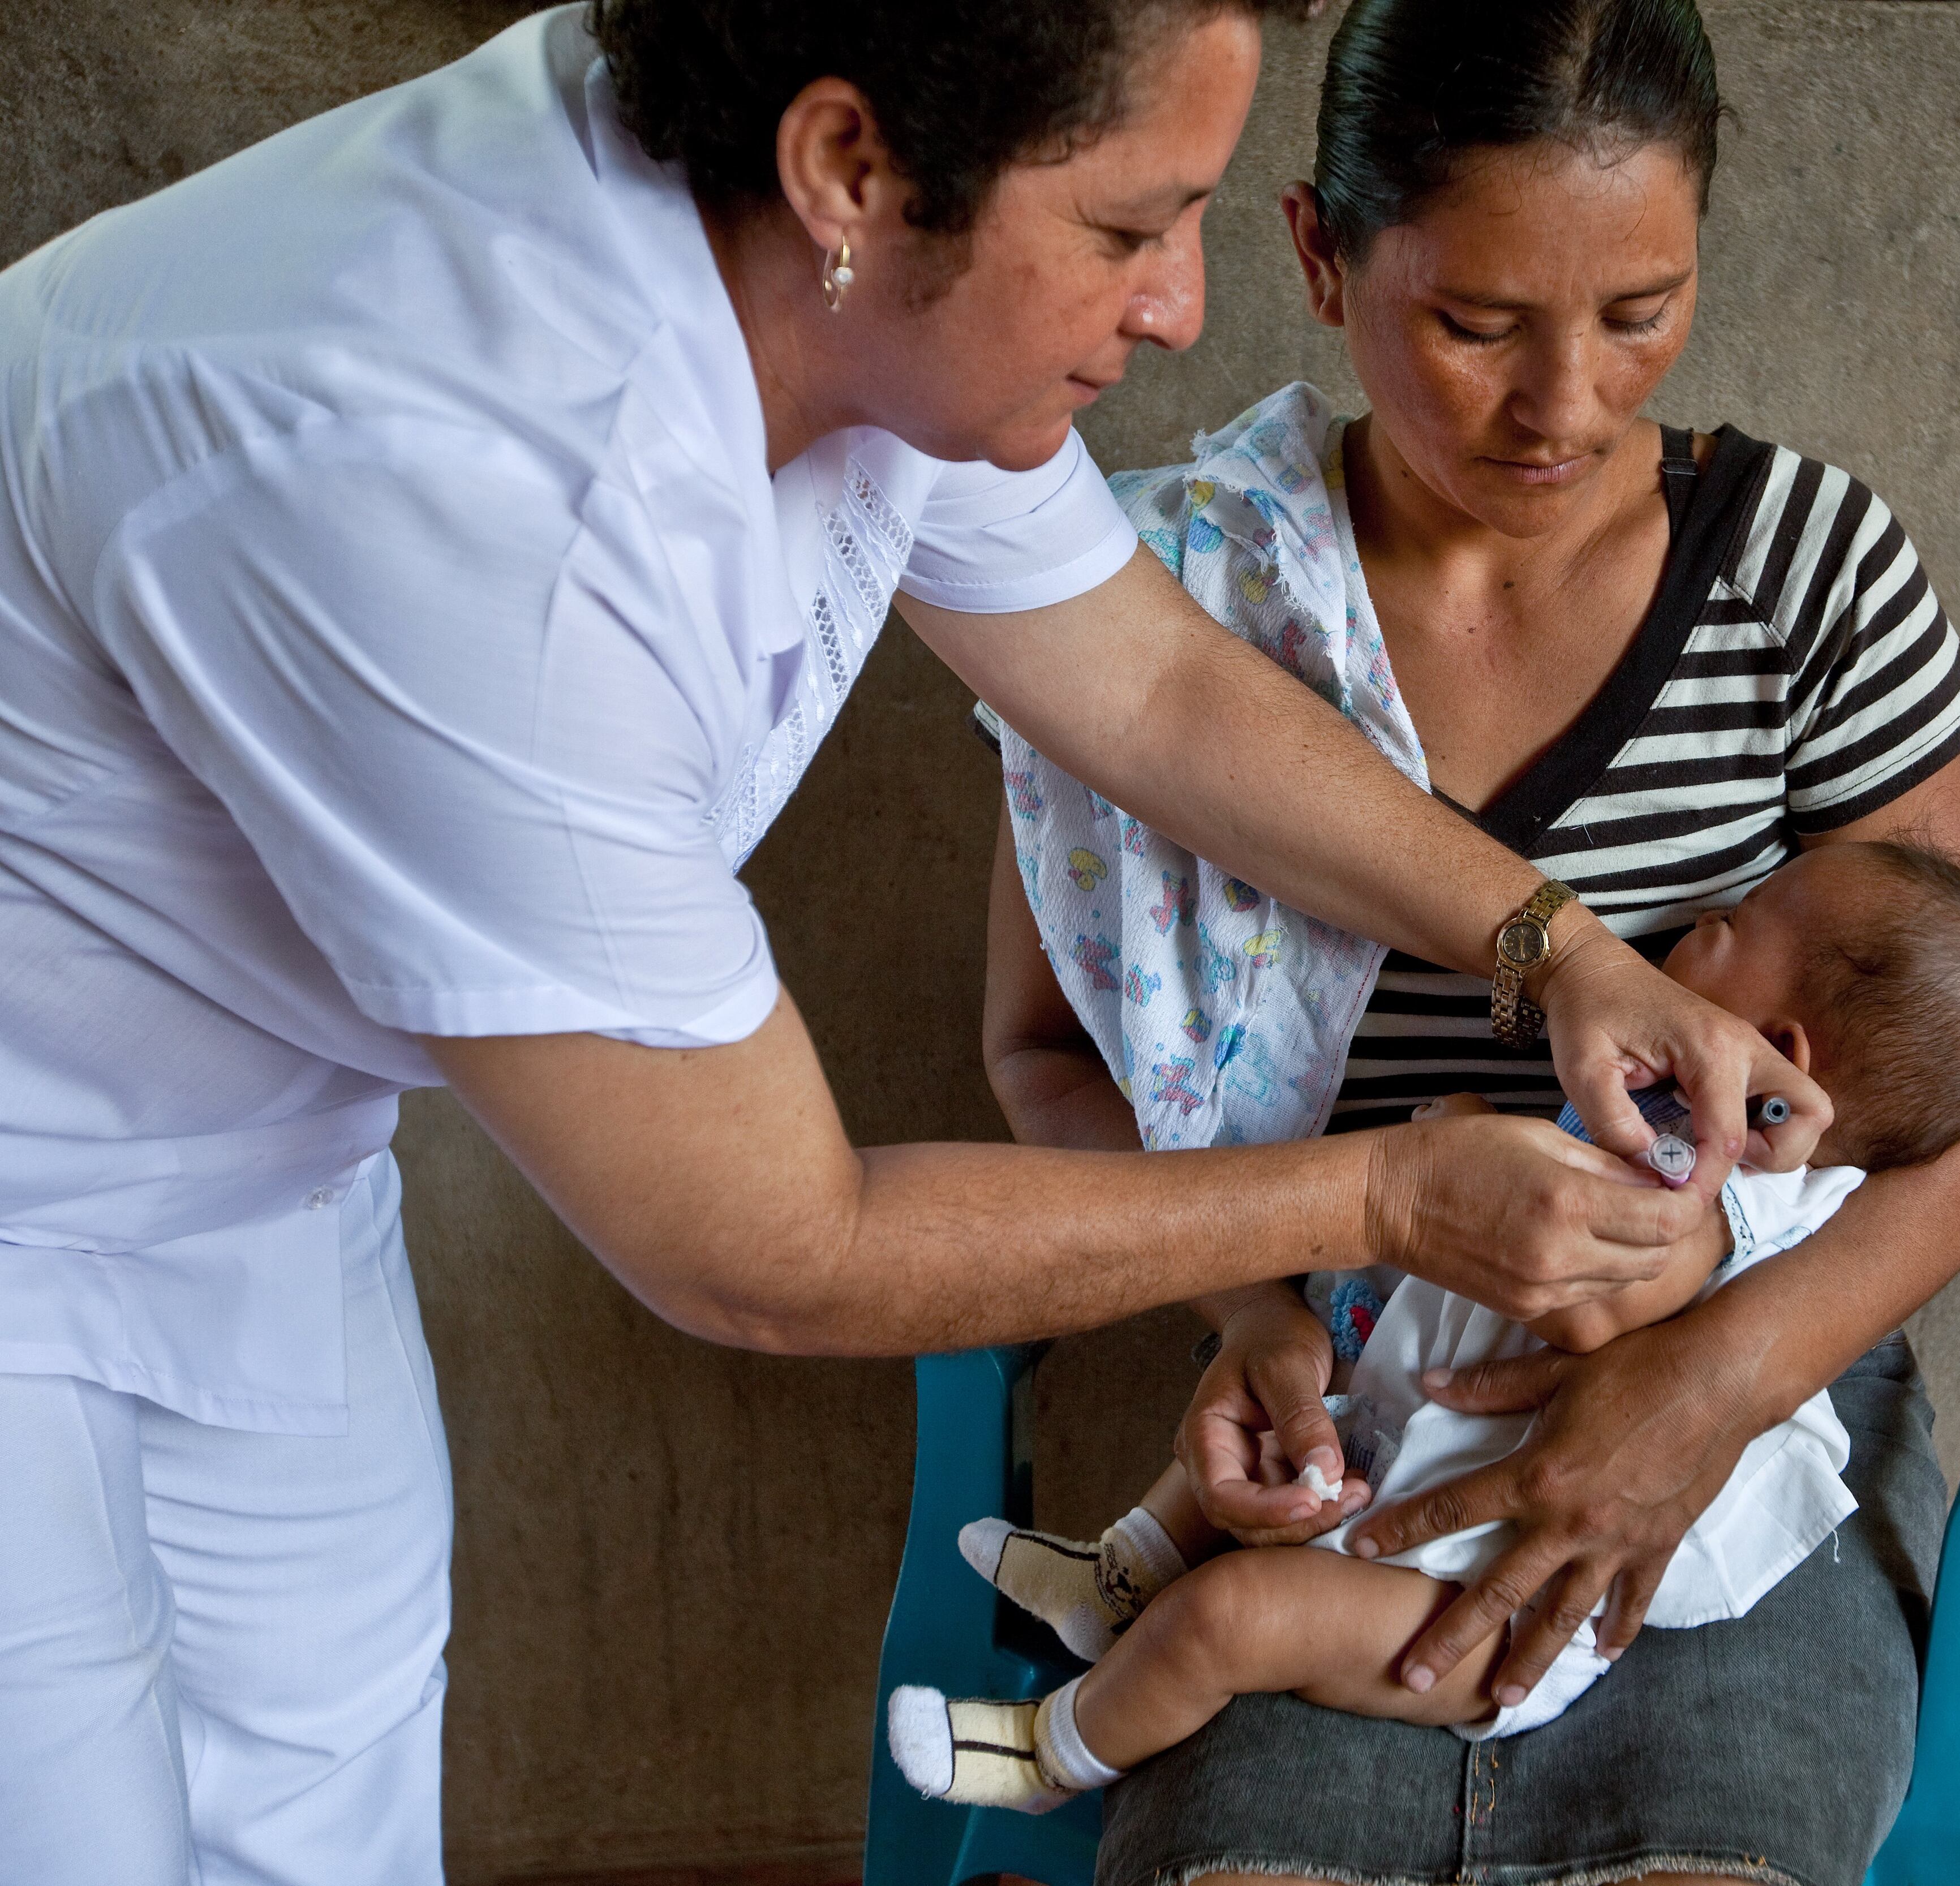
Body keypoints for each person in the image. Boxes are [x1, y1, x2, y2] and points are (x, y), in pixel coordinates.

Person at [0, 3, 1825, 1880]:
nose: (1187, 305)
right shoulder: (472, 508)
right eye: (1127, 232)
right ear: (849, 170)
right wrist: (1382, 1201)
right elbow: (773, 1245)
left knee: (324, 1785)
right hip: (23, 1188)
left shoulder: (866, 289)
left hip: (255, 1156)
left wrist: (1558, 946)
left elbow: (1155, 699)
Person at [973, 3, 1960, 1882]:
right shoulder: (1166, 609)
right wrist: (1260, 1314)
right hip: (1357, 1401)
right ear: (1315, 253)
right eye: (1475, 325)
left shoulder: (1801, 577)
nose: (1566, 407)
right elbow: (1051, 1057)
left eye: (1640, 310)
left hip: (1762, 1399)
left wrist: (1704, 1386)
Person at [898, 841, 1960, 1808]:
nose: (1698, 918)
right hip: (1405, 1416)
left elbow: (1595, 1300)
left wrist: (1451, 1172)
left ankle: (1052, 1749)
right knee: (1253, 1440)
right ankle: (1116, 1579)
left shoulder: (1727, 1189)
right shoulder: (1675, 1119)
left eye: (1734, 922)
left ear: (1781, 1056)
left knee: (1229, 1618)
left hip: (1468, 1587)